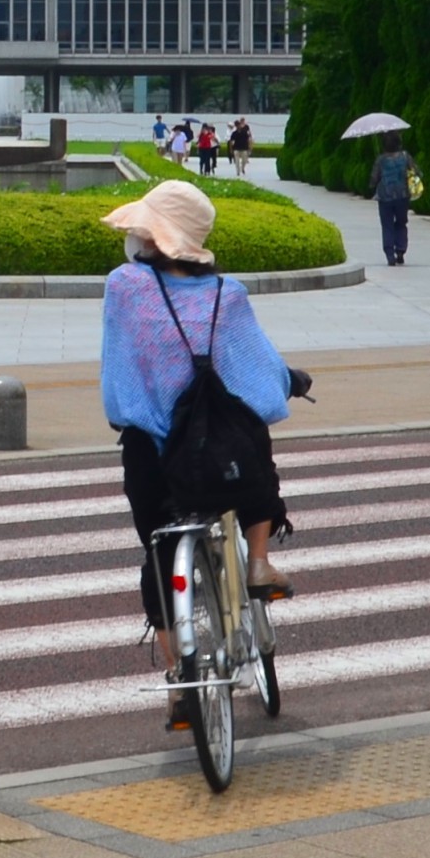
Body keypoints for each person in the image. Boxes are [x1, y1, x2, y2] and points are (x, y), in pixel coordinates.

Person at [101, 179, 298, 706]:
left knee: (160, 549)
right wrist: (289, 381)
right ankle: (258, 561)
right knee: (251, 440)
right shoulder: (228, 295)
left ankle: (178, 680)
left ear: (153, 237)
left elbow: (120, 376)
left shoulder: (125, 286)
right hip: (221, 460)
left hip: (157, 458)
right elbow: (257, 373)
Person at [371, 130, 415, 265]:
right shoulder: (405, 157)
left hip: (385, 197)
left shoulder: (381, 160)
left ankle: (390, 255)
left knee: (387, 226)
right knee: (401, 223)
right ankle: (400, 250)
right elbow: (416, 172)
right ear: (399, 143)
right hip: (402, 196)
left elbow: (374, 179)